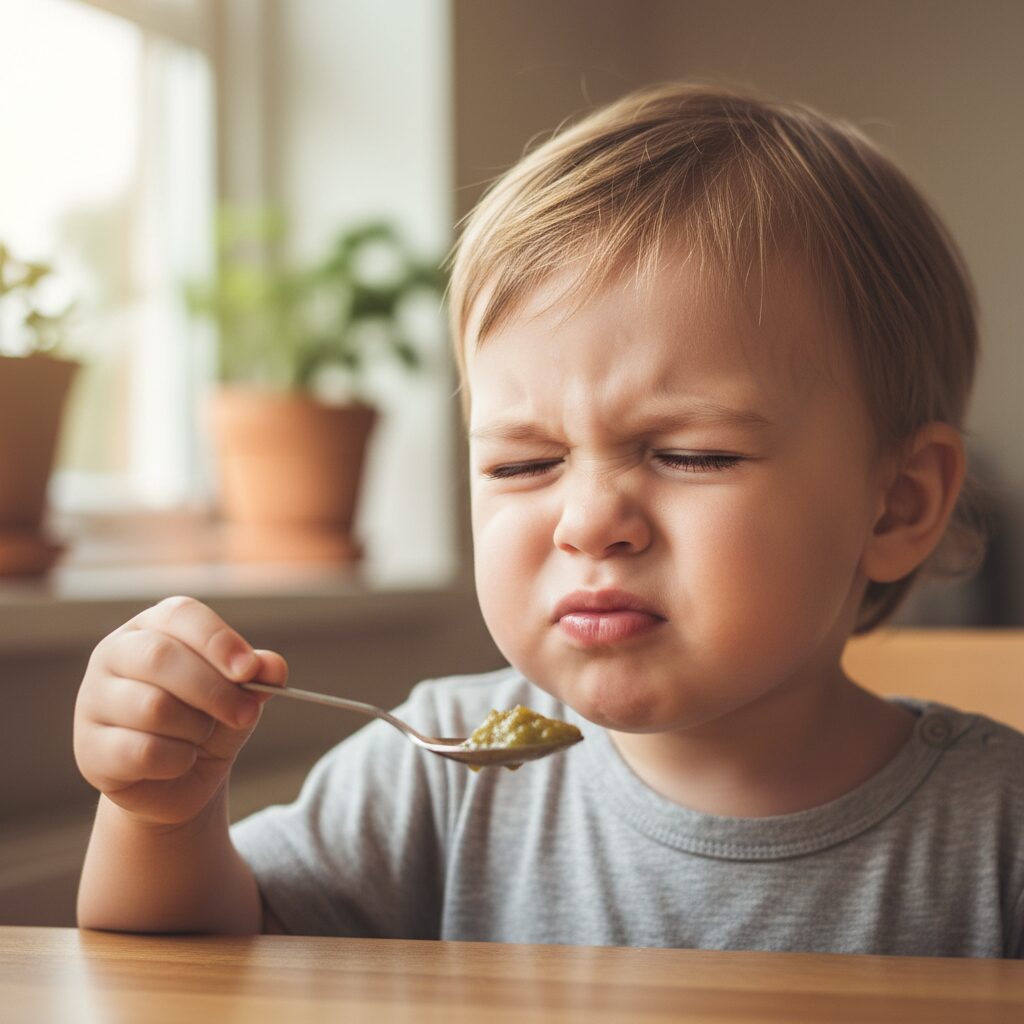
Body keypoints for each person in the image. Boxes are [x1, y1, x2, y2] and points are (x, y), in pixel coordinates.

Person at [73, 83, 1024, 957]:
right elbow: (196, 964)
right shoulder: (438, 770)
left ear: (897, 504)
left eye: (693, 454)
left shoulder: (1000, 832)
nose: (589, 523)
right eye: (522, 464)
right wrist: (161, 817)